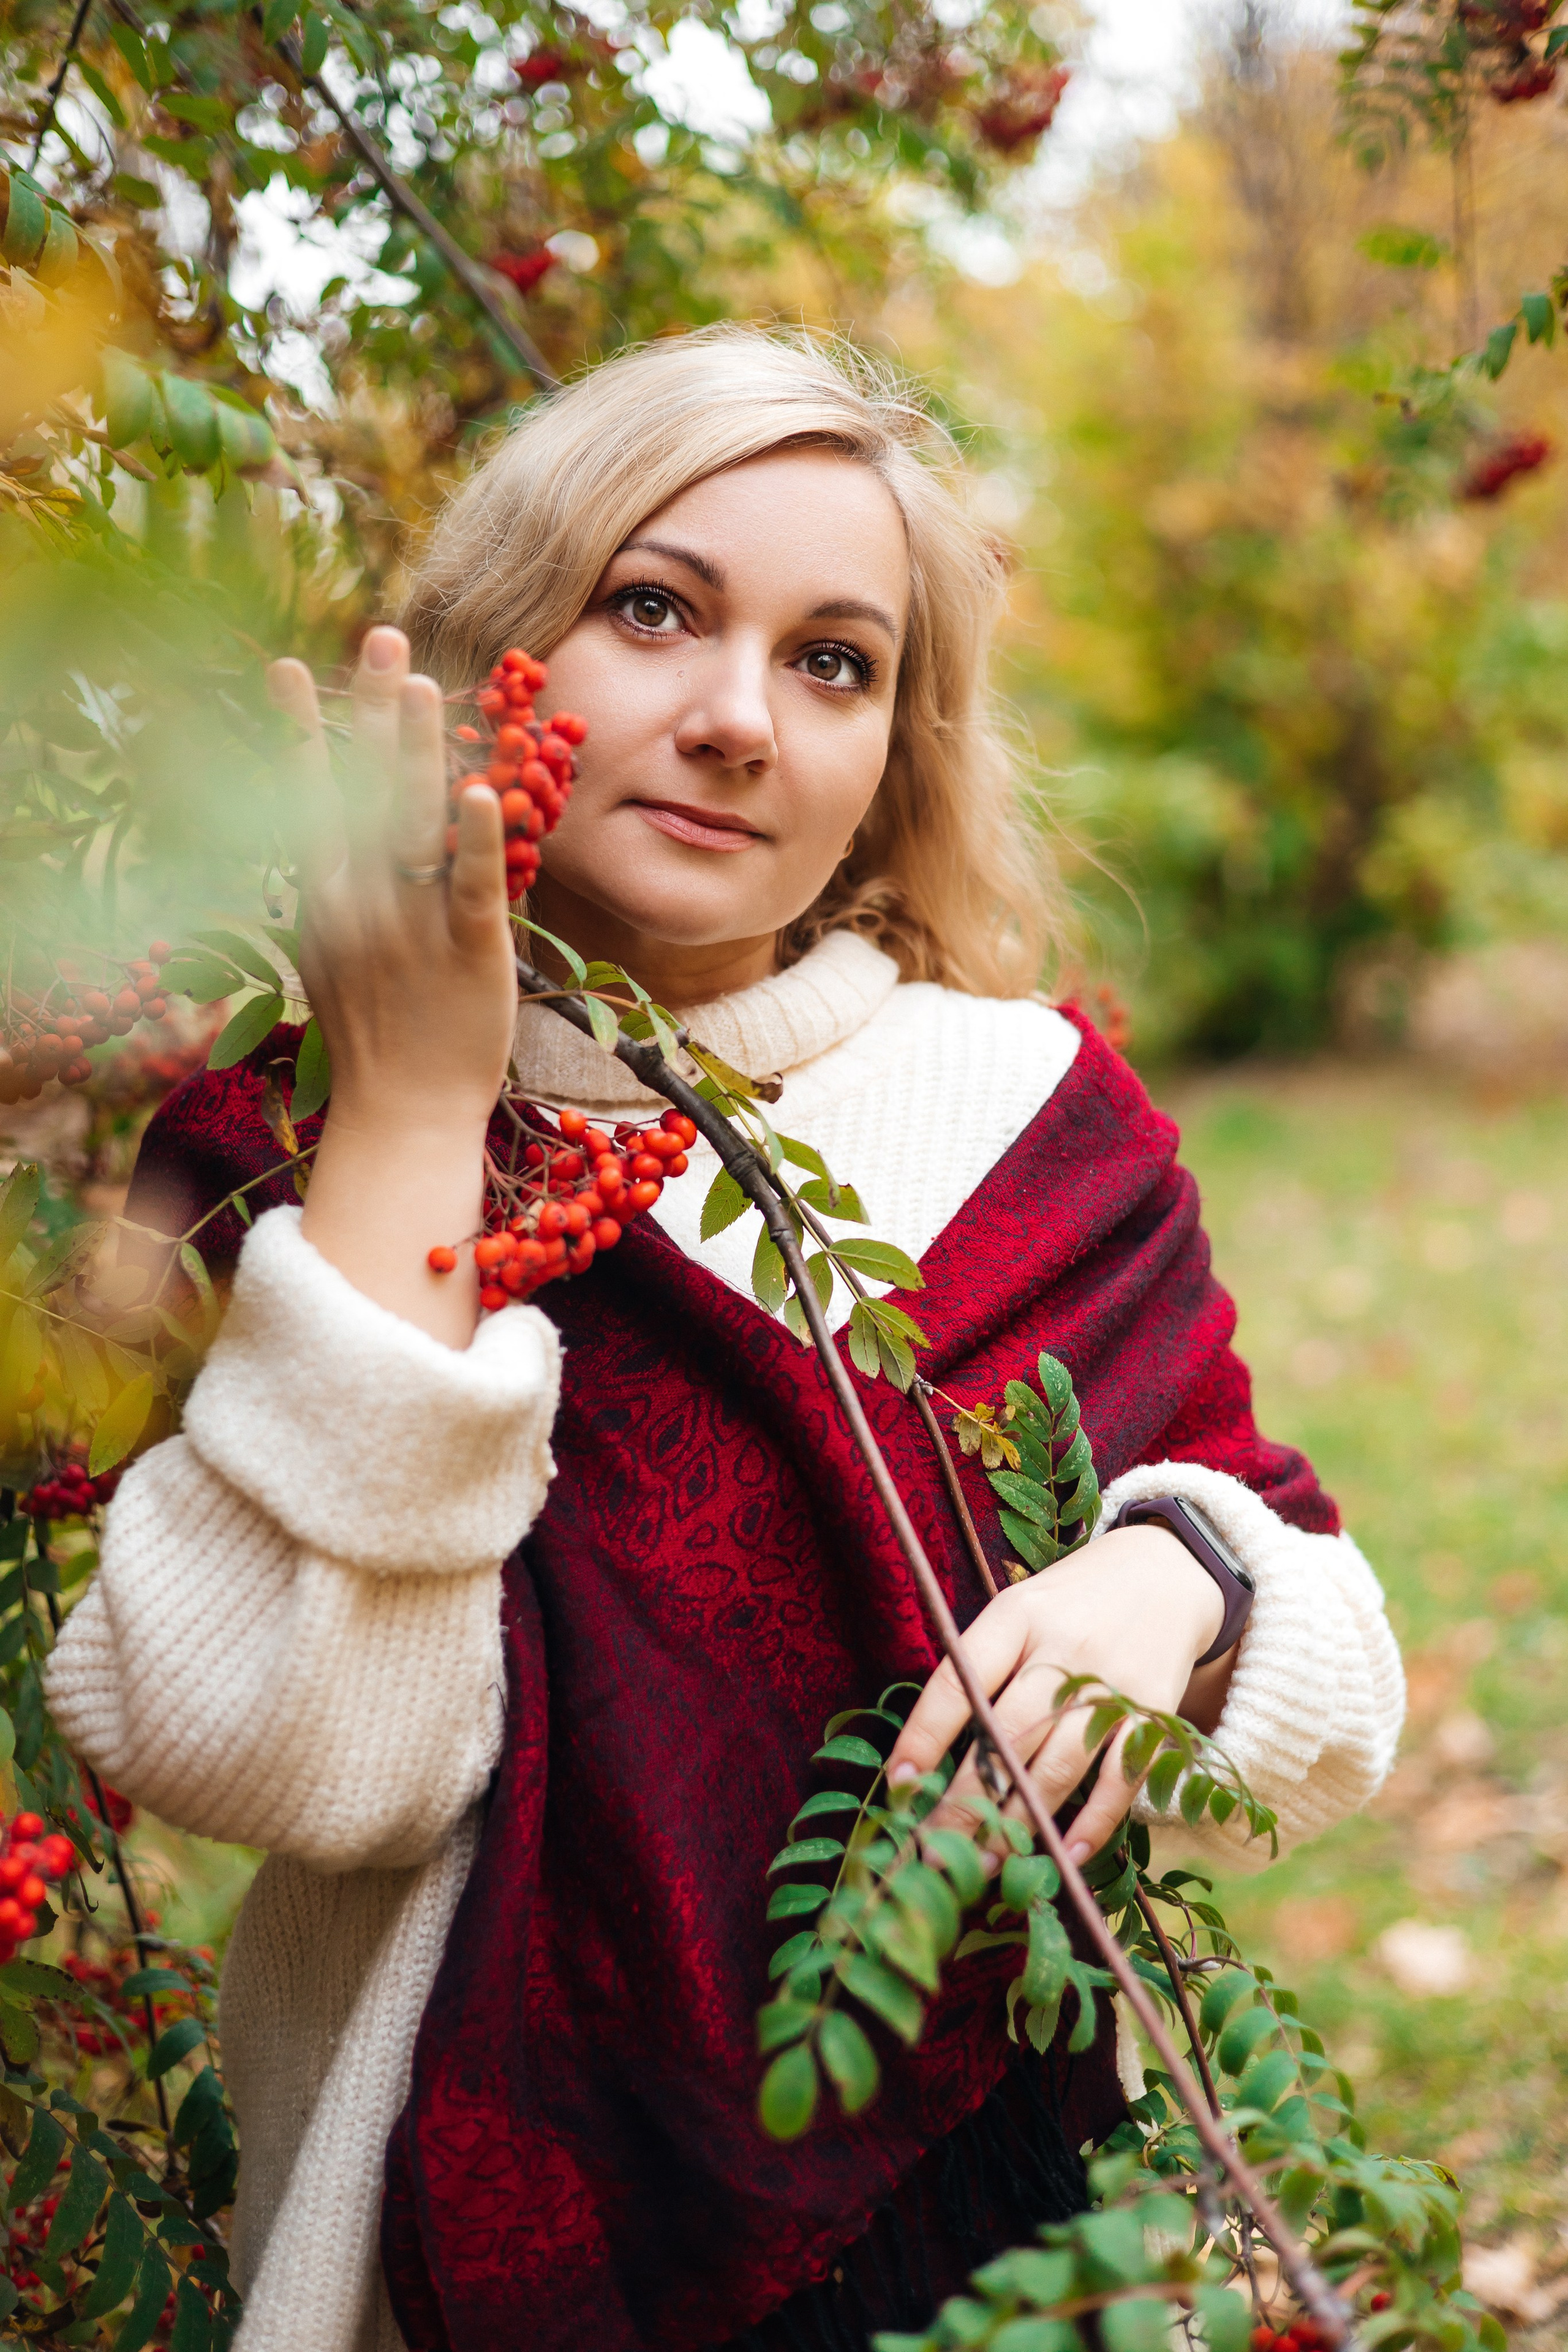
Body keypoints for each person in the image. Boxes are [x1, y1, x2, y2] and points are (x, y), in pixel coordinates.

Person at [45, 328, 1404, 2352]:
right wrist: (415, 1120)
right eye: (656, 609)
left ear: (888, 764)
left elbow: (1331, 1645)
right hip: (429, 2268)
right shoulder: (274, 1147)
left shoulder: (1029, 1117)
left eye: (835, 661)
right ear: (508, 651)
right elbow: (281, 1762)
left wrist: (1173, 1582)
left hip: (989, 2236)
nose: (741, 718)